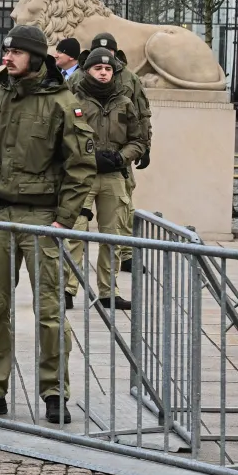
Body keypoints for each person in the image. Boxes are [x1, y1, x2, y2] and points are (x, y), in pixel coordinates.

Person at [0, 25, 97, 425]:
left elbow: (81, 167)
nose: (7, 56)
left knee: (49, 310)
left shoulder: (63, 103)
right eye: (5, 50)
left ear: (35, 56)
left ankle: (54, 393)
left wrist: (63, 218)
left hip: (42, 219)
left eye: (15, 51)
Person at [66, 48, 146, 310]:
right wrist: (88, 157)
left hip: (113, 176)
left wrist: (122, 158)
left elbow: (138, 139)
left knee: (112, 235)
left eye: (108, 69)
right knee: (75, 233)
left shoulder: (124, 102)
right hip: (82, 177)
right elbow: (63, 136)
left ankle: (108, 292)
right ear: (87, 70)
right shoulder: (73, 100)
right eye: (98, 69)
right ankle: (67, 288)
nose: (103, 73)